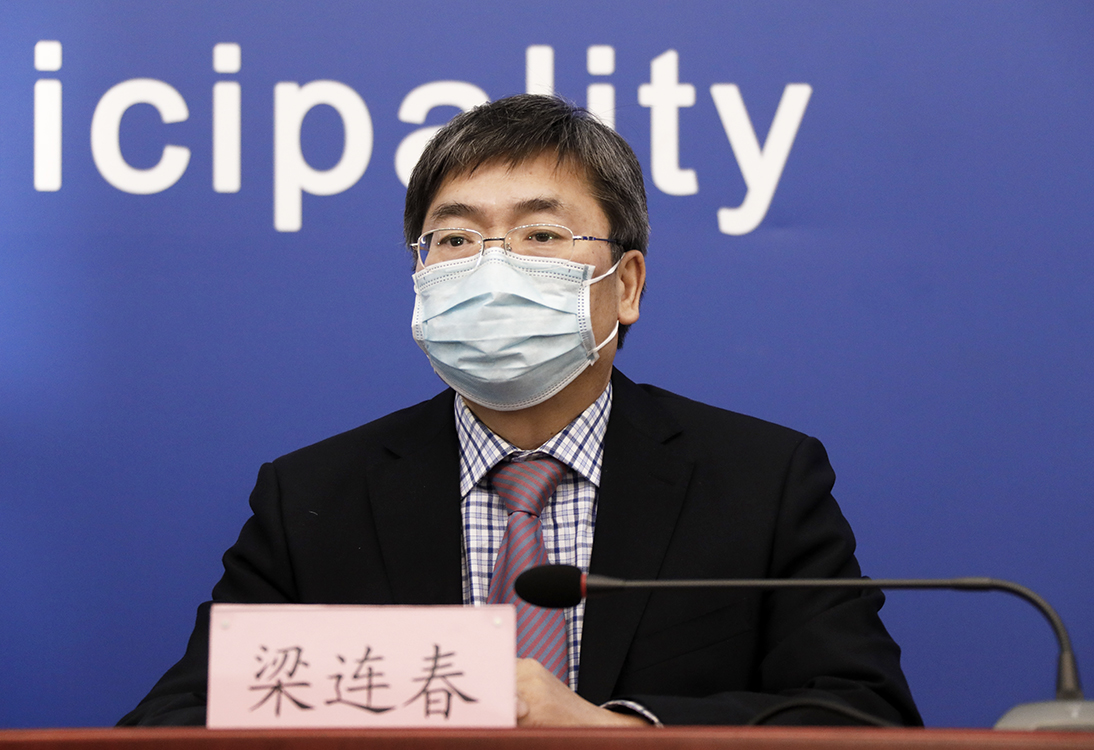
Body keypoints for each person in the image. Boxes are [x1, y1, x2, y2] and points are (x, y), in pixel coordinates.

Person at [120, 94, 921, 728]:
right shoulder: (312, 497)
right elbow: (178, 722)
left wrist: (620, 731)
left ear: (626, 285)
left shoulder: (761, 481)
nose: (491, 268)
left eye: (540, 234)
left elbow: (862, 714)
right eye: (456, 240)